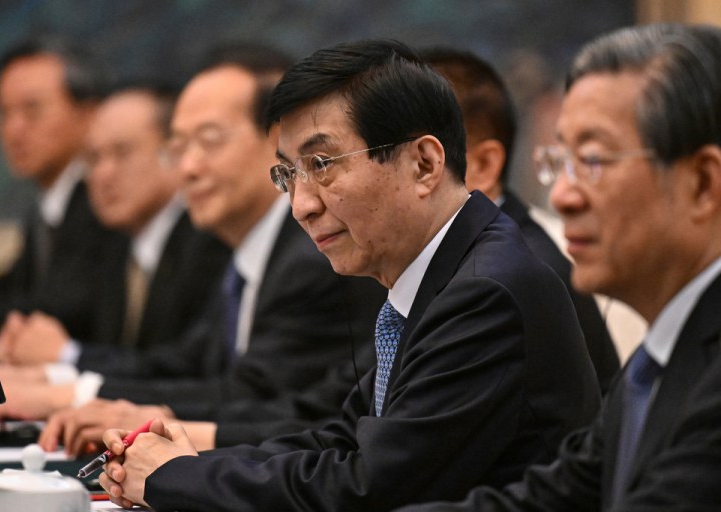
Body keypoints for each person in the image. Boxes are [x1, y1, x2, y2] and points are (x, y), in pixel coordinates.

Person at [98, 39, 600, 511]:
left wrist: (178, 479)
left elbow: (368, 489)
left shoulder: (483, 292)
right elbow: (338, 439)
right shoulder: (435, 272)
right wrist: (190, 467)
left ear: (424, 164)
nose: (301, 206)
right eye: (288, 175)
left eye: (322, 164)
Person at [0, 44, 385, 424]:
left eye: (209, 141)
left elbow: (256, 398)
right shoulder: (245, 250)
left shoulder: (313, 255)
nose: (188, 168)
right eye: (179, 147)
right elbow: (186, 363)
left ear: (277, 143)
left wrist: (68, 392)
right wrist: (56, 377)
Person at [394, 23, 721, 511]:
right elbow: (554, 497)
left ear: (701, 183)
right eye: (560, 160)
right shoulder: (659, 359)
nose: (563, 196)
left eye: (592, 159)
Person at [422, 47, 620, 391]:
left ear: (483, 166)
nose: (562, 195)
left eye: (422, 162)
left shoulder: (501, 279)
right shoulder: (449, 260)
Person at [0, 85, 229, 362]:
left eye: (122, 153)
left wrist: (67, 354)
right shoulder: (115, 245)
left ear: (175, 154)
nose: (103, 174)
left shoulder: (210, 241)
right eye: (93, 159)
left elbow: (183, 368)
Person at [0, 36, 120, 340]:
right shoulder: (47, 207)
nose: (14, 129)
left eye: (32, 110)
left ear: (88, 113)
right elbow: (10, 290)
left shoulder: (105, 199)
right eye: (4, 113)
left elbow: (56, 310)